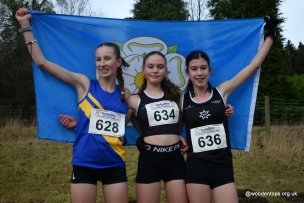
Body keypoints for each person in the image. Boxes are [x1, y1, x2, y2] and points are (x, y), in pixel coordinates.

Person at [16, 8, 130, 203]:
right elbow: (42, 62)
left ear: (118, 62)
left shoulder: (126, 95)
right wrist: (25, 25)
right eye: (98, 59)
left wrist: (81, 123)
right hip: (84, 164)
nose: (102, 63)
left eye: (107, 58)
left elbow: (125, 125)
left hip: (115, 164)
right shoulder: (84, 84)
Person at [182, 17, 278, 203]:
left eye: (203, 68)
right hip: (195, 168)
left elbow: (253, 65)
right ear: (188, 73)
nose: (199, 73)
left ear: (209, 70)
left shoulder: (222, 91)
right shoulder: (181, 100)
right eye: (194, 69)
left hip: (222, 167)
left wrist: (271, 36)